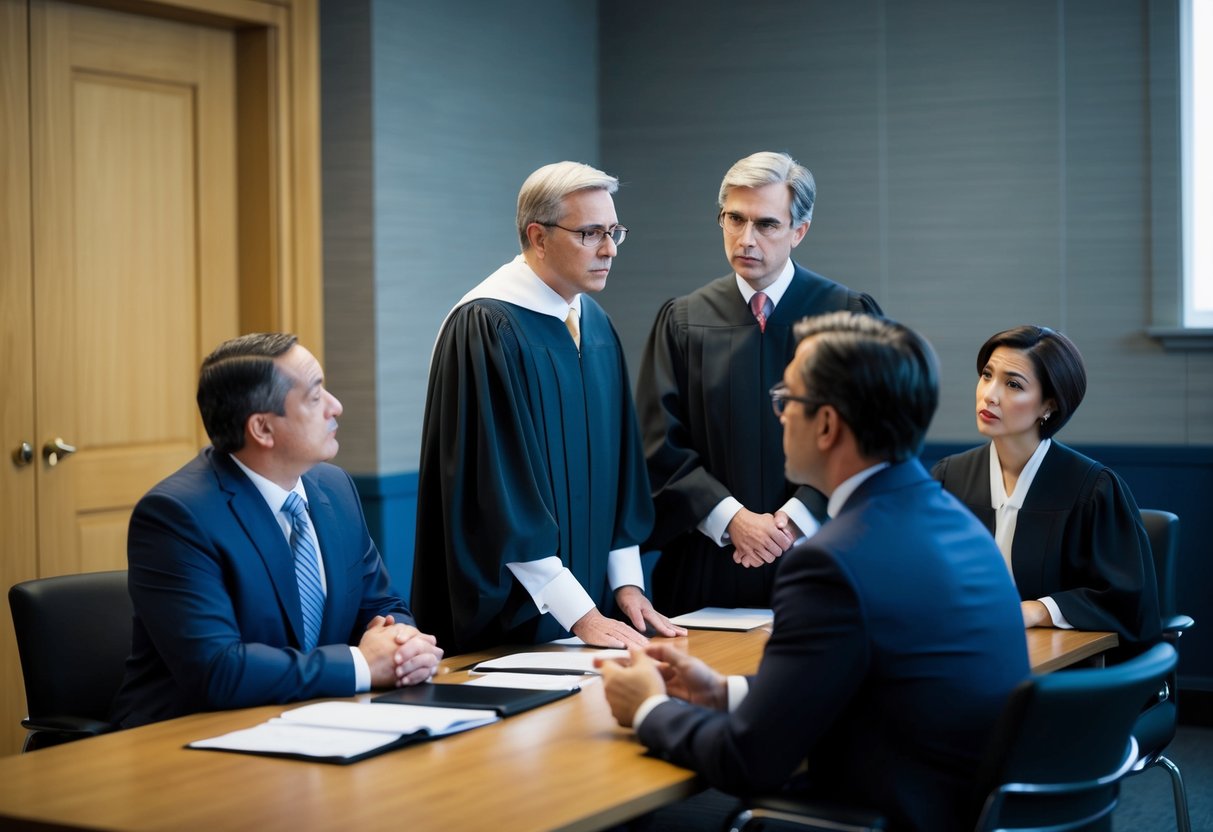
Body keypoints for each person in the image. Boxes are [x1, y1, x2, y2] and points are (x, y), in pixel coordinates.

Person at [599, 312, 1029, 832]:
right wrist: (723, 692)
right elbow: (872, 683)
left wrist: (646, 709)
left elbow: (748, 760)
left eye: (788, 400)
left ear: (826, 425)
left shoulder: (832, 562)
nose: (779, 415)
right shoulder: (962, 527)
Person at [411, 161, 685, 655]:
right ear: (538, 236)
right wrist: (577, 612)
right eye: (590, 233)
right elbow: (499, 492)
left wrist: (626, 585)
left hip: (595, 613)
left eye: (614, 231)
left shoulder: (594, 324)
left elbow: (620, 466)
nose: (609, 250)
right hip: (513, 628)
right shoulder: (486, 327)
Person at [111, 333, 442, 728]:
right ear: (263, 429)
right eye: (316, 396)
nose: (336, 406)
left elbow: (382, 606)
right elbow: (218, 670)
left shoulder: (335, 489)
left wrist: (404, 646)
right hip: (189, 739)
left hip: (319, 724)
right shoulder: (177, 516)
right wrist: (363, 664)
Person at [635, 150, 883, 614]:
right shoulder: (684, 321)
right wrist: (733, 520)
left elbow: (871, 436)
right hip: (708, 560)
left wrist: (793, 520)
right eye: (734, 219)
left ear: (799, 231)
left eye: (767, 224)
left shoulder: (847, 316)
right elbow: (656, 445)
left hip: (822, 555)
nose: (746, 239)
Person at [931, 325, 1161, 647]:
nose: (990, 394)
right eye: (987, 375)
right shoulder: (948, 479)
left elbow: (1129, 603)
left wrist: (1039, 611)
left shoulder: (1092, 489)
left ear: (1048, 405)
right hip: (963, 649)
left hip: (1059, 669)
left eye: (1013, 384)